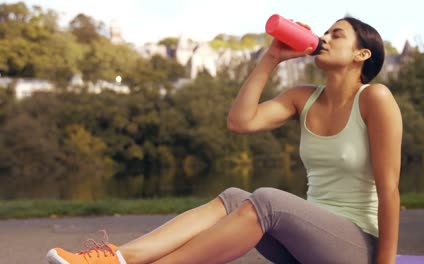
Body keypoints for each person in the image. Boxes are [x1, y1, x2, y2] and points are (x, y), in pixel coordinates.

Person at [47, 16, 402, 264]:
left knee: (266, 200)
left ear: (362, 54)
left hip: (357, 248)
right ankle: (117, 257)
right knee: (234, 197)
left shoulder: (375, 99)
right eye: (324, 31)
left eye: (336, 34)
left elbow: (389, 191)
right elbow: (240, 121)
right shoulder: (303, 97)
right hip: (305, 246)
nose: (323, 38)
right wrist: (273, 56)